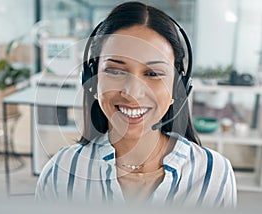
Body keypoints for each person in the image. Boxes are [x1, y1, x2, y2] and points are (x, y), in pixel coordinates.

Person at [35, 1, 237, 207]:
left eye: (152, 74)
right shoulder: (60, 174)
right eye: (115, 71)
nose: (133, 92)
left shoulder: (213, 176)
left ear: (178, 88)